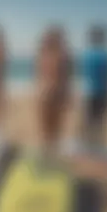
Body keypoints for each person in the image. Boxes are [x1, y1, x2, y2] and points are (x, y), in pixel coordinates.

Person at [36, 25, 72, 155]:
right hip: (55, 93)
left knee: (48, 130)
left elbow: (40, 77)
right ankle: (50, 154)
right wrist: (67, 96)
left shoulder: (43, 54)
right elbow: (65, 78)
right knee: (53, 129)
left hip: (46, 92)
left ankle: (48, 154)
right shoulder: (62, 55)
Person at [81, 25, 107, 148]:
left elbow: (85, 75)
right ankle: (99, 146)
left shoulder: (87, 54)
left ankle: (89, 145)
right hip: (103, 93)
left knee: (89, 121)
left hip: (89, 93)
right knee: (100, 122)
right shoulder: (105, 55)